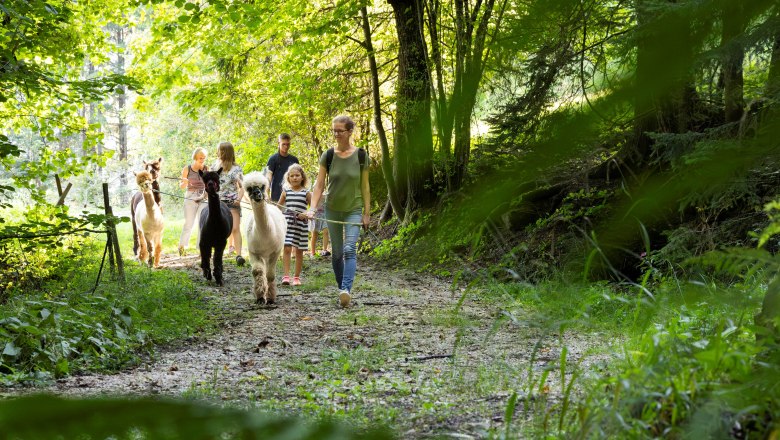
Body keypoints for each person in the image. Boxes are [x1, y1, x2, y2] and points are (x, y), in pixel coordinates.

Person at [306, 115, 370, 308]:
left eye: (340, 131)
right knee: (336, 254)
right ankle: (343, 290)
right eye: (334, 130)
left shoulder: (361, 155)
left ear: (350, 132)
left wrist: (366, 213)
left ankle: (346, 290)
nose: (336, 134)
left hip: (353, 209)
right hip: (332, 210)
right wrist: (313, 208)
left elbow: (365, 187)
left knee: (350, 249)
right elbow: (318, 185)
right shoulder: (328, 155)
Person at [278, 164, 311, 286]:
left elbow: (313, 209)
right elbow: (279, 207)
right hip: (288, 223)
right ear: (288, 178)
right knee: (286, 248)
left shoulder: (306, 192)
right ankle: (286, 276)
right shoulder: (285, 191)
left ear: (302, 177)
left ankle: (296, 277)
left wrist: (305, 213)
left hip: (301, 225)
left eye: (297, 175)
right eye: (292, 176)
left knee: (299, 251)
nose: (294, 178)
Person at [213, 141, 245, 266]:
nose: (218, 153)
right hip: (218, 202)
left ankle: (239, 255)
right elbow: (209, 183)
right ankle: (217, 255)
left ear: (225, 152)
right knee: (217, 229)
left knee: (235, 228)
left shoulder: (236, 169)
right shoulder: (215, 166)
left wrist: (239, 199)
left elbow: (242, 187)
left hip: (232, 202)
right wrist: (203, 196)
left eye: (220, 150)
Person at [177, 147, 208, 256]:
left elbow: (209, 184)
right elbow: (181, 186)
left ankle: (201, 248)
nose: (202, 160)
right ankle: (181, 246)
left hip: (203, 197)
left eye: (204, 158)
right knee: (189, 223)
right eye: (200, 158)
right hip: (190, 196)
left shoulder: (206, 169)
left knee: (202, 222)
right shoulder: (187, 169)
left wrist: (207, 194)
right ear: (195, 157)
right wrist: (184, 182)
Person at [265, 133, 299, 202]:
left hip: (292, 197)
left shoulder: (294, 160)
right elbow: (268, 178)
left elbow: (299, 178)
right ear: (278, 143)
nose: (286, 146)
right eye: (283, 144)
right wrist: (266, 194)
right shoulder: (273, 159)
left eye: (288, 144)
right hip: (276, 197)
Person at [308, 178, 330, 258]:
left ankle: (324, 250)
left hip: (325, 216)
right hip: (315, 216)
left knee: (326, 232)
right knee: (314, 234)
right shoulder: (311, 194)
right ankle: (312, 252)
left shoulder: (327, 195)